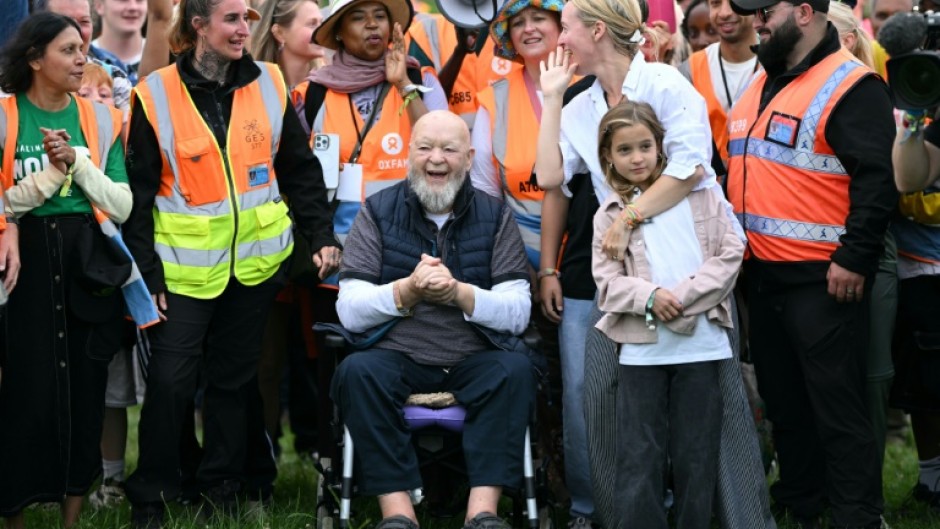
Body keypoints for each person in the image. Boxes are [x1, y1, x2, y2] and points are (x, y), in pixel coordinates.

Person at [536, 1, 774, 528]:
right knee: (609, 412)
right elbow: (550, 177)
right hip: (625, 281)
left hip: (692, 269)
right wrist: (551, 99)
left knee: (710, 422)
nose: (560, 38)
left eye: (567, 28)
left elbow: (689, 169)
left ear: (597, 30)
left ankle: (730, 519)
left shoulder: (665, 84)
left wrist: (629, 217)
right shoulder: (580, 104)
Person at [122, 0, 341, 527]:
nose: (245, 29)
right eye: (232, 19)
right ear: (198, 26)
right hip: (181, 272)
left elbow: (299, 170)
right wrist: (148, 275)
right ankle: (153, 495)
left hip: (254, 269)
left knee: (233, 382)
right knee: (172, 382)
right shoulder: (153, 94)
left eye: (247, 19)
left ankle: (221, 487)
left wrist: (319, 234)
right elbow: (139, 197)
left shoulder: (269, 83)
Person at [725, 0, 898, 527]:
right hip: (763, 275)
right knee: (785, 403)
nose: (755, 20)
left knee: (837, 407)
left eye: (765, 10)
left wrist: (855, 258)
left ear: (804, 12)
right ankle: (803, 500)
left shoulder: (853, 85)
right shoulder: (762, 79)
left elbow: (876, 181)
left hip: (823, 279)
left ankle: (856, 515)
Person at [330, 110, 535, 529]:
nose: (436, 158)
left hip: (474, 357)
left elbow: (518, 312)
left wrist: (459, 293)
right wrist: (407, 291)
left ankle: (482, 513)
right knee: (356, 372)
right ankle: (398, 515)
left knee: (515, 370)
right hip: (399, 356)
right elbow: (349, 308)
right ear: (410, 154)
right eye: (425, 147)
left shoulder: (496, 216)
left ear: (469, 158)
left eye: (449, 149)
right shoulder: (377, 211)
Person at [0, 12, 132, 528]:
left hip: (85, 264)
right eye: (69, 50)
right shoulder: (5, 115)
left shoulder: (103, 119)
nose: (83, 60)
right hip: (22, 266)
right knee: (23, 391)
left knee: (84, 389)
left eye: (83, 49)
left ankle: (71, 518)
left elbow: (121, 205)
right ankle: (14, 512)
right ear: (35, 59)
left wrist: (76, 162)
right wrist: (49, 179)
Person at [593, 100, 744, 529]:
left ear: (661, 146)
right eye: (624, 150)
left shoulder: (702, 195)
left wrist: (679, 299)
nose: (637, 158)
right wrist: (650, 297)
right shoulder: (609, 216)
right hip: (643, 353)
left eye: (645, 146)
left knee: (697, 453)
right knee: (640, 453)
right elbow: (608, 283)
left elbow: (731, 253)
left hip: (701, 346)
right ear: (608, 157)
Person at [469, 0, 590, 525]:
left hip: (590, 257)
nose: (528, 28)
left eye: (539, 17)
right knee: (540, 381)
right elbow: (483, 192)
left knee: (589, 383)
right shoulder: (494, 98)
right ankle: (549, 485)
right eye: (517, 23)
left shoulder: (595, 85)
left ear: (563, 27)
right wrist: (520, 272)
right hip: (519, 263)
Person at [890, 108, 940, 510]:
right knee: (925, 385)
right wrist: (912, 116)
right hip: (917, 267)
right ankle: (931, 480)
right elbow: (906, 181)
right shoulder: (909, 109)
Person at [679, 0, 758, 165]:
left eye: (734, 3)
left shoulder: (779, 62)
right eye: (716, 3)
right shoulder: (690, 70)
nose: (724, 13)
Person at [34, 0, 133, 112]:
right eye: (65, 22)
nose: (77, 31)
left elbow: (134, 120)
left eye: (84, 21)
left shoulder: (114, 76)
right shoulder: (25, 79)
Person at [251, 0, 327, 88]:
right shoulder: (255, 87)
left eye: (322, 23)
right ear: (279, 33)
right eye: (312, 24)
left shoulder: (330, 84)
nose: (323, 31)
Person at [91, 0, 147, 85]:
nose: (133, 7)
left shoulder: (164, 57)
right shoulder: (85, 58)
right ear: (99, 5)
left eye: (139, 0)